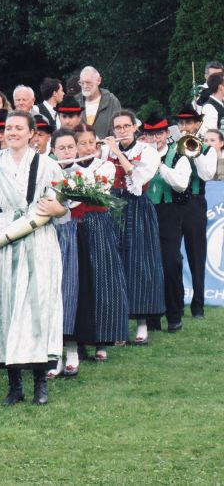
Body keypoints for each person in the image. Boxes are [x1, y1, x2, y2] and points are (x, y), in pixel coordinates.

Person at [0, 110, 68, 406]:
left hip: (38, 241)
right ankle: (14, 384)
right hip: (2, 239)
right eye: (9, 128)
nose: (13, 132)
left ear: (32, 132)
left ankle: (40, 383)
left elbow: (61, 209)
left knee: (37, 308)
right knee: (7, 306)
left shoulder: (48, 165)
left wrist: (58, 209)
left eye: (19, 128)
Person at [67, 124, 130, 364]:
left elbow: (97, 191)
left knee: (103, 278)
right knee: (79, 280)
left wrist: (74, 184)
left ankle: (103, 340)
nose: (86, 147)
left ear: (97, 144)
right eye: (81, 143)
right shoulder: (66, 167)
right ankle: (80, 339)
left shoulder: (105, 165)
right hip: (74, 226)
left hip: (98, 224)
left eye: (90, 143)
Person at [106, 110, 164, 345]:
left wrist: (117, 152)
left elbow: (137, 178)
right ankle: (118, 325)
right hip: (112, 207)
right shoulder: (105, 150)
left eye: (125, 126)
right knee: (115, 264)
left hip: (138, 208)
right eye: (117, 127)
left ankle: (142, 325)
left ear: (134, 127)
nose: (121, 131)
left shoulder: (147, 152)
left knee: (139, 264)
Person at [139, 114, 192, 334]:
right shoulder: (139, 155)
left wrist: (159, 166)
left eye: (158, 133)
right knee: (147, 264)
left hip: (168, 213)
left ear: (167, 134)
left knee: (170, 263)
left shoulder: (179, 156)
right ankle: (151, 316)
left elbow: (181, 184)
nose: (154, 138)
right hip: (144, 212)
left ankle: (174, 314)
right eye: (150, 134)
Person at [174, 105, 218, 318]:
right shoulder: (173, 146)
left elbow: (207, 174)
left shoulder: (208, 149)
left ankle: (198, 305)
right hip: (173, 204)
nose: (184, 127)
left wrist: (195, 149)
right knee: (172, 256)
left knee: (196, 255)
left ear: (197, 124)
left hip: (194, 203)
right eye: (181, 123)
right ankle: (175, 303)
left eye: (189, 122)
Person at [47, 129, 80, 378]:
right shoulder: (47, 170)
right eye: (62, 148)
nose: (66, 152)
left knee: (68, 292)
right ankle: (51, 354)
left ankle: (71, 351)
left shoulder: (83, 173)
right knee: (48, 293)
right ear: (53, 149)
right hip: (47, 235)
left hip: (69, 234)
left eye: (70, 147)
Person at [77, 66, 122, 139]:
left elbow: (117, 128)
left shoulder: (112, 101)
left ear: (99, 80)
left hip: (106, 147)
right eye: (82, 83)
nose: (85, 86)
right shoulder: (75, 102)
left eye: (88, 82)